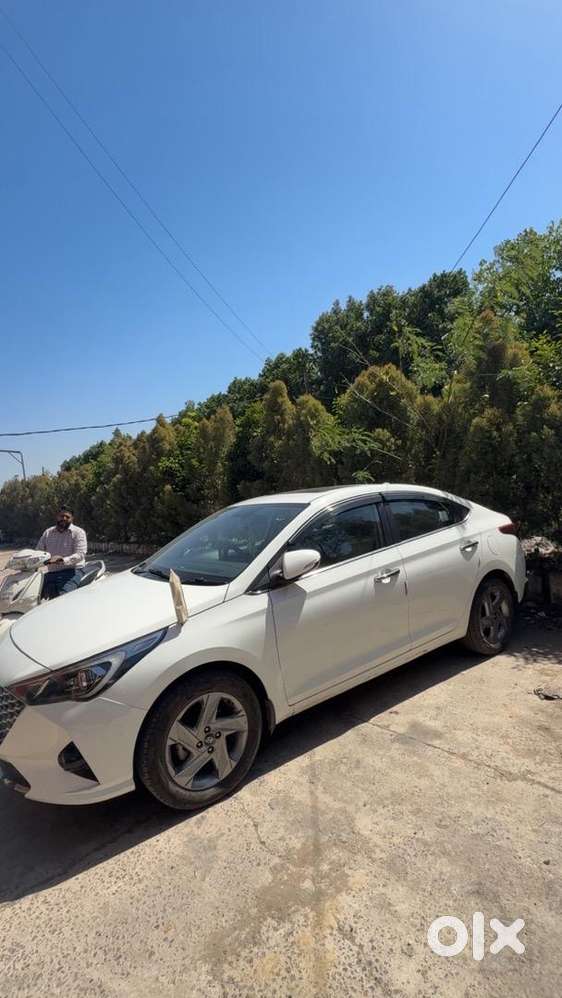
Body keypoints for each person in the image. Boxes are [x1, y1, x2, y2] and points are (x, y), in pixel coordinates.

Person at [36, 506, 88, 599]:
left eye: (67, 517)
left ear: (72, 519)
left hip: (73, 571)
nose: (64, 518)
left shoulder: (78, 532)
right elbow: (38, 551)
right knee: (34, 594)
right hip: (52, 572)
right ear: (57, 517)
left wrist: (62, 560)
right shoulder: (48, 532)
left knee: (63, 598)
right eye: (61, 516)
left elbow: (81, 554)